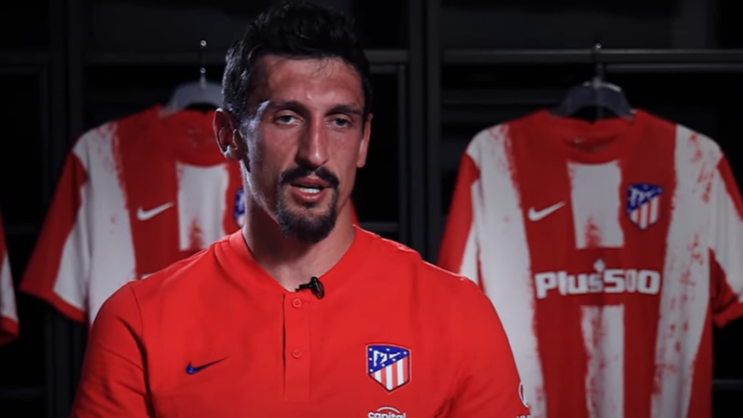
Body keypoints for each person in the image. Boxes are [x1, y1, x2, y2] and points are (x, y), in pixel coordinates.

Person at [69, 2, 531, 417]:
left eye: (340, 121)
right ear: (229, 136)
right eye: (286, 118)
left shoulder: (458, 314)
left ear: (364, 140)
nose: (315, 152)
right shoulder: (138, 320)